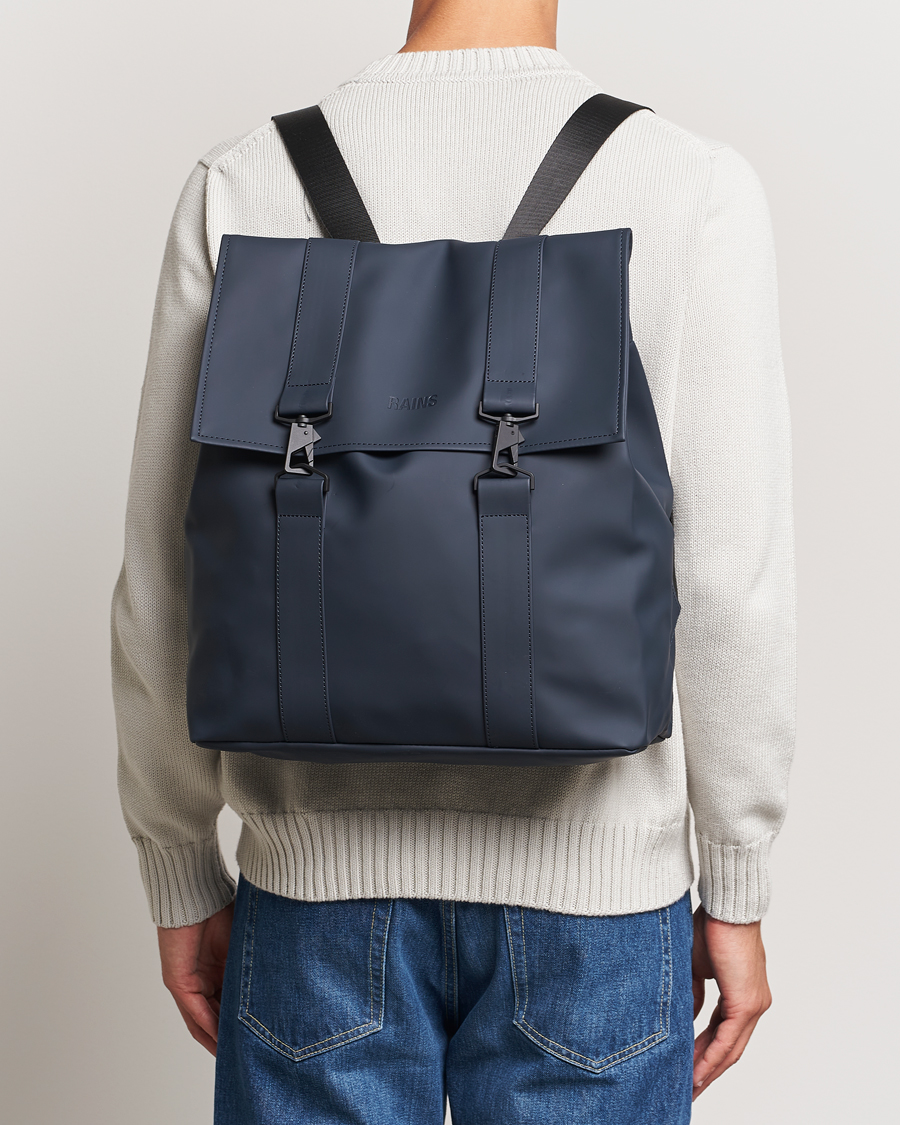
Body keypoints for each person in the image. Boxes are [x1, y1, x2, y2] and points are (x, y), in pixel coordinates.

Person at [112, 0, 795, 1120]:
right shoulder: (692, 185)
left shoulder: (241, 180)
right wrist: (738, 874)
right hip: (597, 908)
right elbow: (730, 583)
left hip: (314, 901)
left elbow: (163, 581)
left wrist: (177, 858)